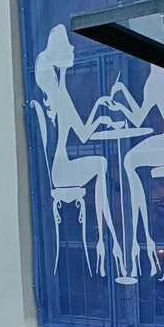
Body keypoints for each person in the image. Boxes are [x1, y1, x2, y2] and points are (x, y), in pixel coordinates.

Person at [34, 24, 125, 277]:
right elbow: (83, 134)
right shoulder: (60, 96)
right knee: (101, 164)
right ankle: (108, 241)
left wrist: (99, 108)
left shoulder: (60, 95)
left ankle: (107, 243)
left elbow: (83, 133)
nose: (74, 47)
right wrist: (101, 113)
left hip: (60, 169)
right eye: (68, 45)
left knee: (100, 165)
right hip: (62, 172)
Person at [107, 62, 164, 277]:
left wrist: (121, 94)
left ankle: (142, 238)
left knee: (128, 161)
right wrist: (123, 94)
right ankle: (144, 238)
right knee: (130, 162)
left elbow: (137, 118)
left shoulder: (155, 80)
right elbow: (139, 116)